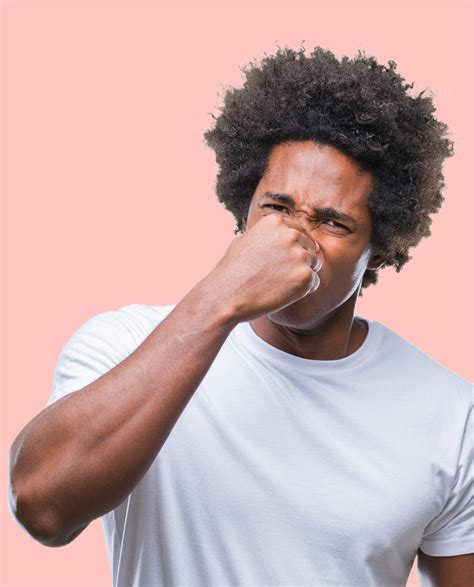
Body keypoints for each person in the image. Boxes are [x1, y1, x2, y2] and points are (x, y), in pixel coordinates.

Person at [8, 45, 473, 587]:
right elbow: (43, 509)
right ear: (242, 209)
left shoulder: (450, 413)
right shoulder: (124, 345)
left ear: (381, 246)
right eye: (276, 209)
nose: (294, 238)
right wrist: (221, 299)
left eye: (333, 223)